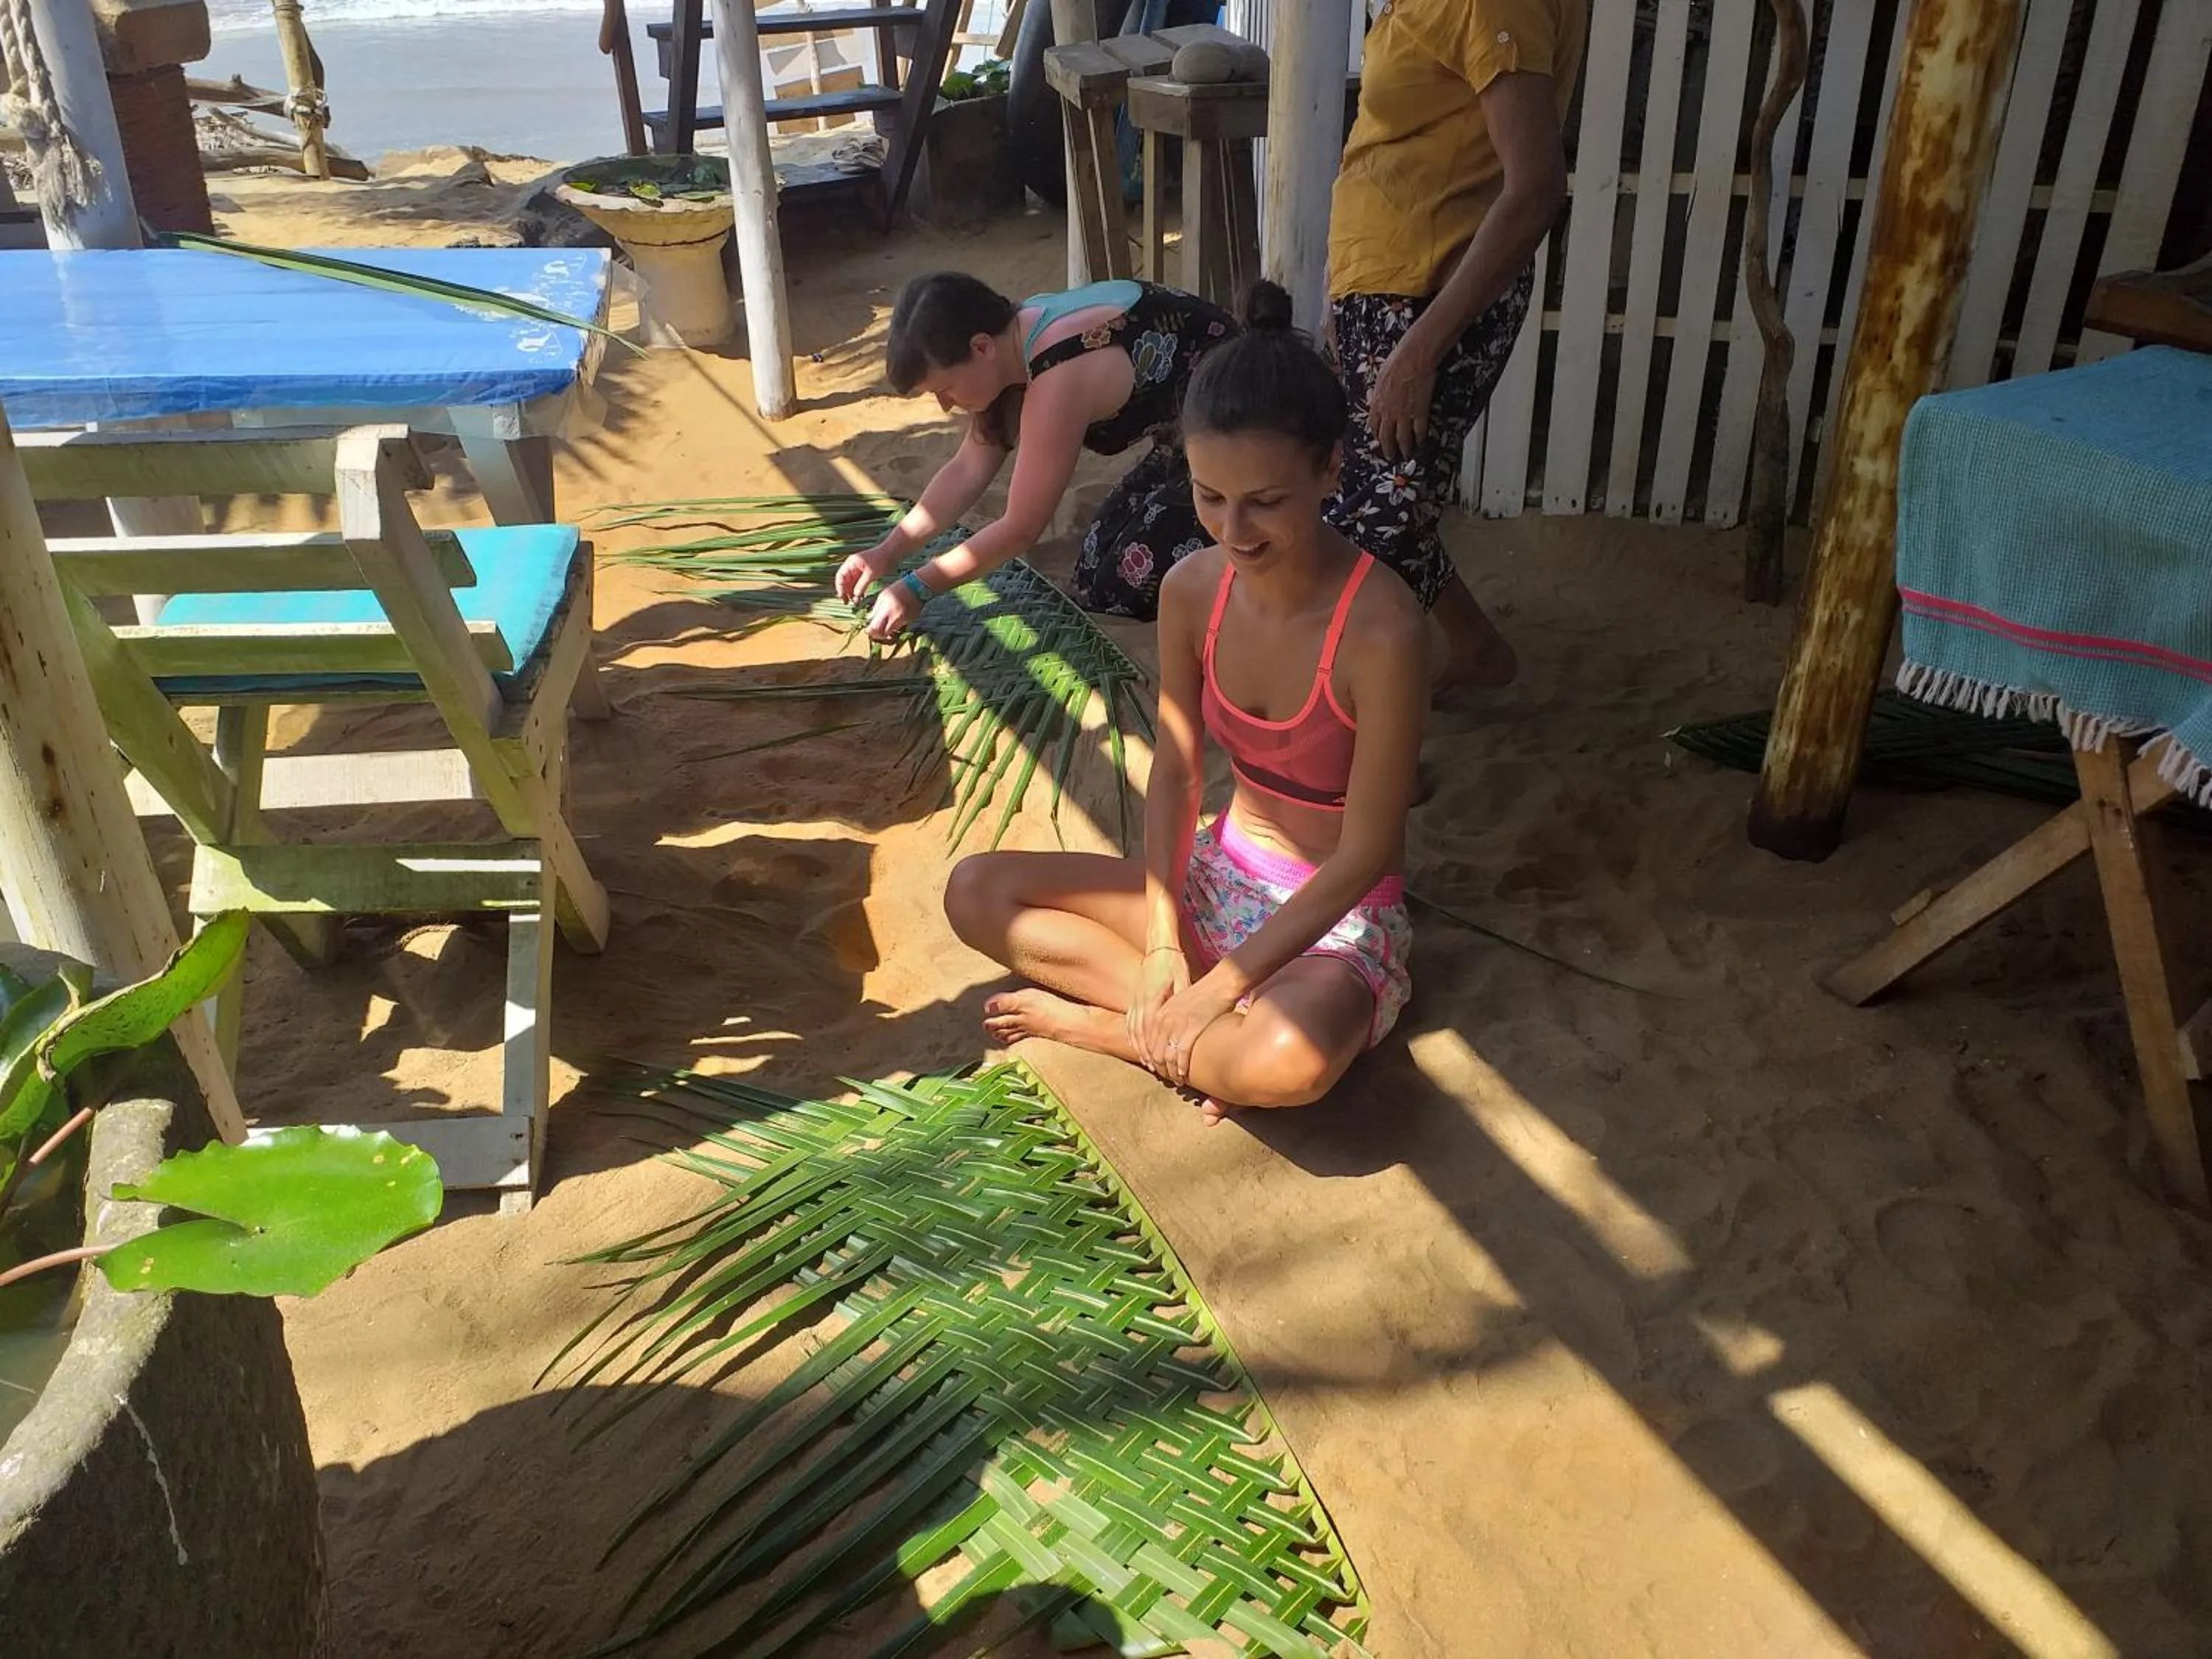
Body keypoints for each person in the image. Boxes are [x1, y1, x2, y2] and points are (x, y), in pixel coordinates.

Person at [943, 282, 1426, 1121]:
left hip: (1330, 925)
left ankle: (1119, 1031)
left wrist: (1219, 990)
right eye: (1209, 497)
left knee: (1290, 1066)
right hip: (1213, 885)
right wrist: (1167, 940)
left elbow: (1365, 853)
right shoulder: (1191, 591)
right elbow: (1176, 776)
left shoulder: (1382, 630)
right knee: (975, 892)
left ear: (1329, 471)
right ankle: (1192, 1036)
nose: (1233, 530)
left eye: (1265, 502)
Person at [1325, 0, 1586, 695]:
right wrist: (1343, 285)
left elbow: (1536, 189)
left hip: (1426, 297)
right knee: (1372, 503)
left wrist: (1418, 352)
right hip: (1382, 285)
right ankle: (1476, 647)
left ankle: (1366, 740)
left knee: (1370, 528)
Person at [837, 272, 1238, 640]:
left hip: (1242, 436)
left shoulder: (1059, 372)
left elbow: (1020, 528)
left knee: (1122, 588)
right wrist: (885, 552)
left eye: (944, 388)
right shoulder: (1013, 338)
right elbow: (967, 467)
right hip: (1181, 440)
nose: (945, 406)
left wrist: (917, 589)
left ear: (981, 347)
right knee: (1094, 564)